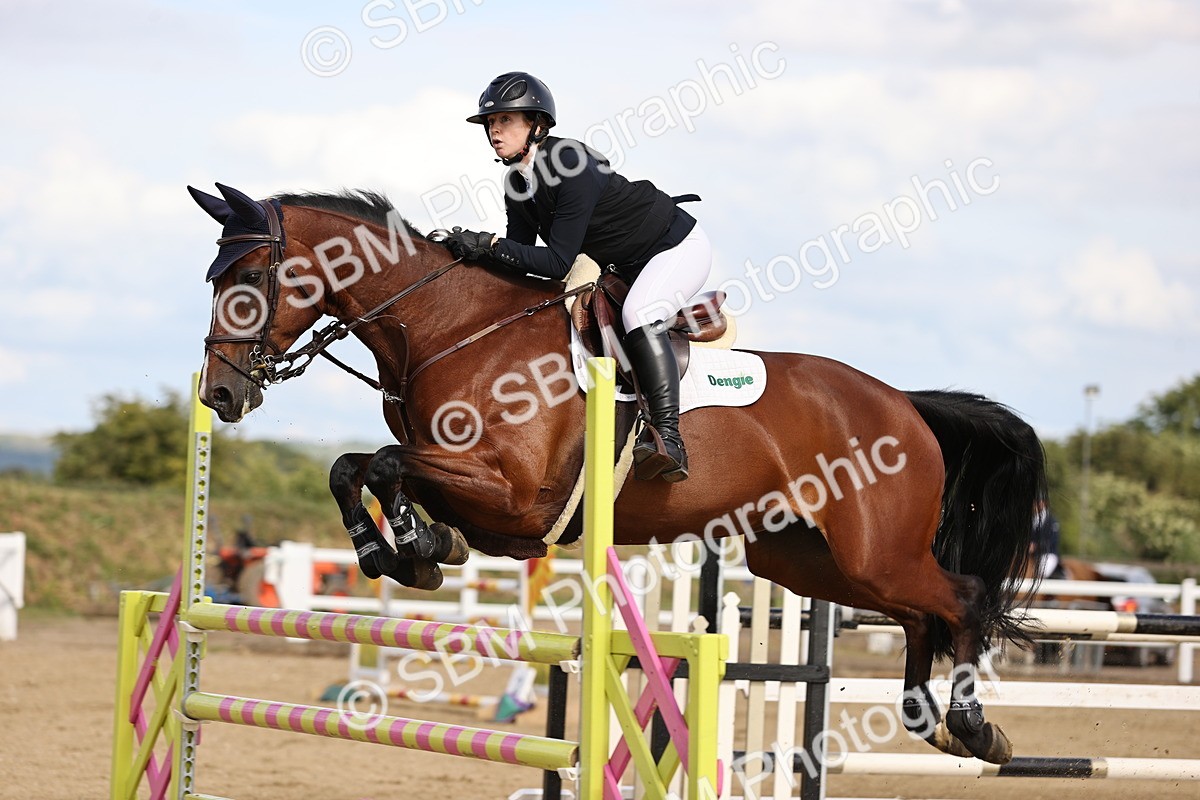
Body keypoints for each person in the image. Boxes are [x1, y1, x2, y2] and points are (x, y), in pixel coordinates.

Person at [444, 72, 712, 482]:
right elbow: (520, 258)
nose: (495, 131)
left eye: (506, 121)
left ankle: (669, 440)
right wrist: (467, 254)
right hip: (625, 264)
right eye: (491, 123)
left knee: (640, 313)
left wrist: (490, 244)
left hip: (674, 247)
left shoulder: (570, 164)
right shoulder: (517, 180)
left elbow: (555, 262)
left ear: (537, 125)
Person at [1031, 500, 1063, 580]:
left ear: (1044, 503)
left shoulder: (1052, 521)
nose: (1035, 505)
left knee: (1042, 572)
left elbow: (1053, 540)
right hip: (1032, 555)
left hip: (1048, 554)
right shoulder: (1032, 520)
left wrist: (1036, 546)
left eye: (1038, 502)